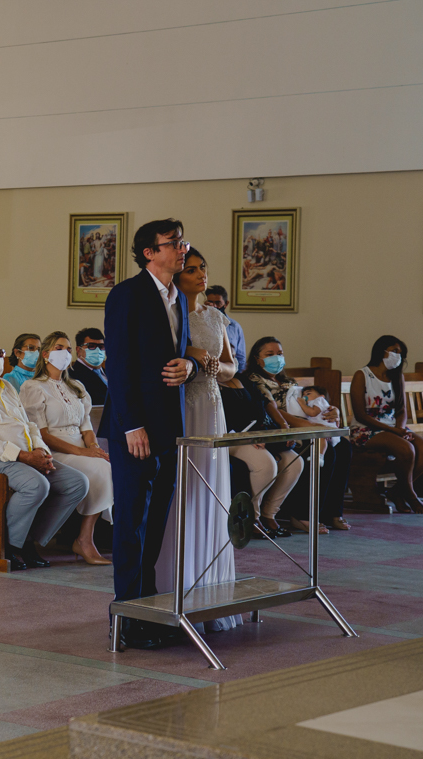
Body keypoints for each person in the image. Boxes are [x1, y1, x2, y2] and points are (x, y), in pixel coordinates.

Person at [100, 218, 198, 650]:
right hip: (134, 429)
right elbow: (119, 364)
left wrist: (189, 366)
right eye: (173, 243)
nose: (182, 249)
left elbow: (179, 355)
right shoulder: (127, 294)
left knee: (156, 522)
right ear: (149, 253)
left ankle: (148, 611)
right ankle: (125, 616)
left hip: (169, 425)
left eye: (183, 242)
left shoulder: (179, 297)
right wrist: (131, 425)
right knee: (131, 524)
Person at [154, 248, 240, 633]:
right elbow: (163, 354)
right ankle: (175, 582)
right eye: (191, 270)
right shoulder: (169, 315)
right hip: (183, 405)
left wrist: (214, 365)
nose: (200, 274)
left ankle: (211, 585)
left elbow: (231, 367)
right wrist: (191, 353)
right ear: (177, 276)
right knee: (185, 489)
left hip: (212, 404)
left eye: (202, 268)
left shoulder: (215, 315)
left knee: (212, 489)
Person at [0, 333, 89, 570]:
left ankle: (28, 540)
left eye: (0, 353)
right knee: (37, 485)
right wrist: (24, 456)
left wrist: (41, 451)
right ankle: (9, 547)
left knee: (77, 483)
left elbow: (29, 425)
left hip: (22, 457)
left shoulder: (5, 387)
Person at [19, 331, 112, 565]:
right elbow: (42, 434)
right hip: (56, 450)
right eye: (59, 348)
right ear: (46, 354)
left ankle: (87, 537)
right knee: (102, 469)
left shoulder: (76, 386)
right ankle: (85, 539)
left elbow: (86, 426)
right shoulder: (33, 387)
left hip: (82, 448)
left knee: (106, 463)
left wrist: (93, 447)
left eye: (69, 349)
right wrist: (83, 452)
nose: (66, 353)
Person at [247, 337, 352, 533]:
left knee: (344, 446)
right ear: (256, 358)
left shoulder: (288, 382)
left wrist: (331, 411)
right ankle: (303, 514)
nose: (276, 358)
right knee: (322, 449)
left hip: (305, 426)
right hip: (280, 429)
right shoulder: (255, 380)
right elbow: (274, 411)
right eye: (269, 354)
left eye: (279, 354)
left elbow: (308, 403)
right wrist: (310, 427)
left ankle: (332, 512)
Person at [349, 336, 423, 515]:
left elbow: (401, 409)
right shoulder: (362, 375)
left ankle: (397, 491)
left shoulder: (397, 377)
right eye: (394, 351)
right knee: (406, 449)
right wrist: (393, 431)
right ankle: (410, 495)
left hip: (393, 428)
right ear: (381, 351)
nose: (398, 356)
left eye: (401, 353)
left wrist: (400, 429)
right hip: (365, 429)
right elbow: (360, 414)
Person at [219, 371, 303, 540]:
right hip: (226, 437)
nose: (232, 359)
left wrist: (281, 427)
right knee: (265, 464)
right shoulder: (207, 381)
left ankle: (269, 514)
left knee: (294, 461)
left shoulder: (242, 379)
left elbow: (264, 403)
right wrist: (245, 436)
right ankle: (252, 517)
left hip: (253, 433)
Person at [204, 286, 246, 373]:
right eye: (210, 302)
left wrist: (238, 376)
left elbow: (241, 357)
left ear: (226, 304)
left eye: (218, 303)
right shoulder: (199, 322)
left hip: (229, 373)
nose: (214, 306)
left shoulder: (235, 327)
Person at [68, 328, 108, 403]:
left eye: (101, 346)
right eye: (91, 346)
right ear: (79, 350)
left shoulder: (110, 373)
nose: (97, 350)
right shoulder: (71, 376)